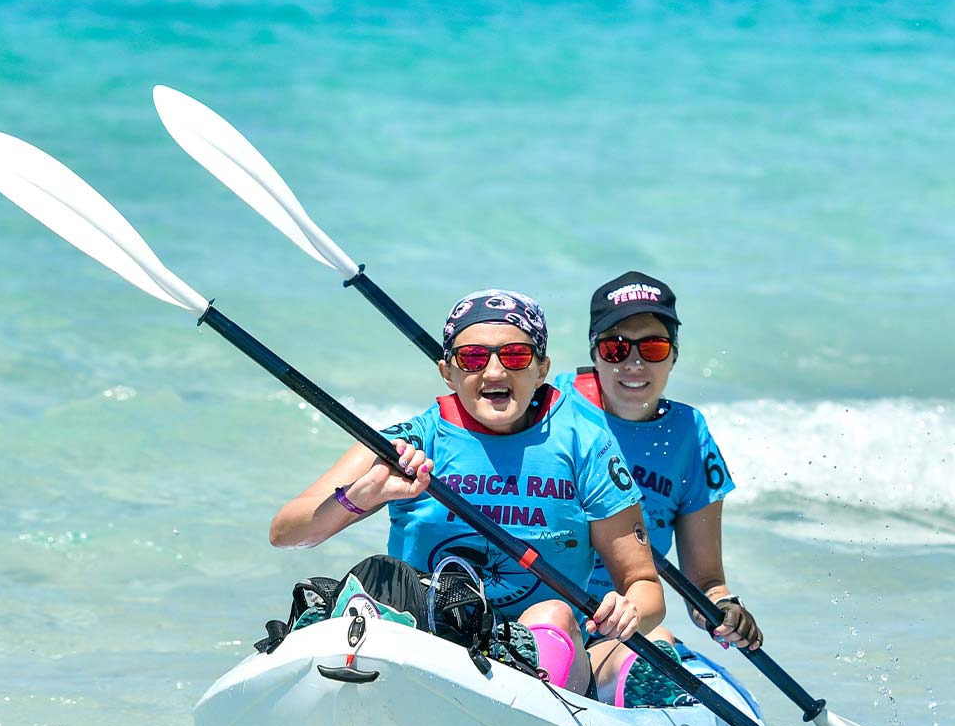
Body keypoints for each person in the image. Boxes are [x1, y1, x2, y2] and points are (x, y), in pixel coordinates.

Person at [270, 289, 664, 695]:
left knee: (556, 613)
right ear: (448, 372)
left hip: (538, 655)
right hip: (430, 638)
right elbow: (286, 533)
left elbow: (644, 586)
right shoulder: (411, 443)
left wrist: (628, 610)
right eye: (473, 358)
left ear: (542, 368)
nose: (494, 372)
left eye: (515, 356)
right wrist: (360, 497)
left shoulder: (585, 444)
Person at [556, 271, 763, 708]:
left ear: (673, 357)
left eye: (652, 347)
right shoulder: (548, 405)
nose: (633, 364)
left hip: (624, 626)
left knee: (659, 638)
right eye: (616, 348)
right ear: (595, 353)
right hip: (543, 612)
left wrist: (726, 610)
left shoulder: (689, 434)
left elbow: (704, 581)